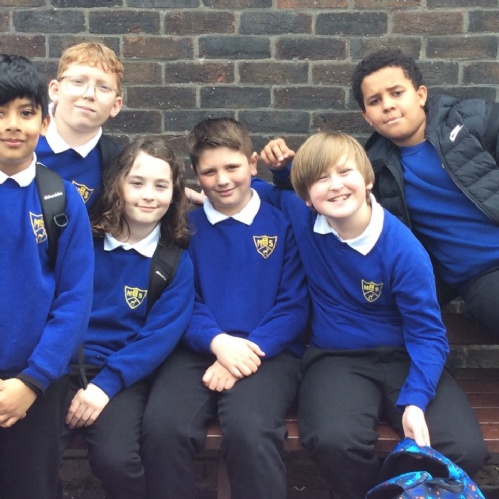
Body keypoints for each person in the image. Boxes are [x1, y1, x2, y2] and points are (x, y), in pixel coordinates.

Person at [253, 131, 489, 499]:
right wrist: (279, 174)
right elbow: (249, 192)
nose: (335, 186)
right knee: (334, 441)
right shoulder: (301, 216)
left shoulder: (403, 249)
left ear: (367, 179)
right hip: (336, 358)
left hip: (405, 356)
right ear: (307, 197)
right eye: (320, 179)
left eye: (344, 172)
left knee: (462, 447)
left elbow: (428, 335)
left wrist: (415, 401)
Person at [261, 48, 499, 336]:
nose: (388, 105)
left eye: (397, 93)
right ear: (367, 117)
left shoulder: (473, 121)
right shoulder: (372, 166)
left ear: (421, 95)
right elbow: (325, 197)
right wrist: (284, 170)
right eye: (375, 101)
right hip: (481, 277)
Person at [141, 117, 309, 499]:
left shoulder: (282, 223)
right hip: (198, 348)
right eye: (209, 171)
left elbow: (294, 304)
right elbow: (182, 299)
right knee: (163, 428)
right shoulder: (183, 229)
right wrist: (218, 343)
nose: (222, 180)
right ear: (196, 174)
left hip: (268, 351)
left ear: (253, 164)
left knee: (251, 430)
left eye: (232, 167)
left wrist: (244, 352)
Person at [60, 137, 194, 499]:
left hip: (121, 378)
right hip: (59, 370)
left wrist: (105, 385)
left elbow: (159, 337)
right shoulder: (81, 241)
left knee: (116, 459)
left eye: (161, 186)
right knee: (31, 455)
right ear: (116, 184)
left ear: (175, 193)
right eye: (137, 182)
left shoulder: (174, 262)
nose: (148, 195)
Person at [0, 54, 94, 499]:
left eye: (25, 112)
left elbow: (75, 299)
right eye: (0, 113)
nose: (12, 125)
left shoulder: (61, 199)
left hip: (36, 383)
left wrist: (33, 380)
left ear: (44, 120)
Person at [36, 42, 123, 211]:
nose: (89, 94)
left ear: (115, 105)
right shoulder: (16, 138)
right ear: (55, 90)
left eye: (103, 87)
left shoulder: (116, 164)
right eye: (78, 82)